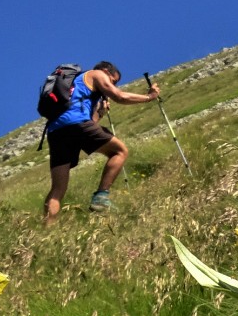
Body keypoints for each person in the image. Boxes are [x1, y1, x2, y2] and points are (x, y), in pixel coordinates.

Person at [43, 62, 161, 225]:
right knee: (120, 151)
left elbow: (92, 123)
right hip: (76, 123)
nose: (112, 84)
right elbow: (120, 96)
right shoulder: (96, 74)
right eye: (113, 81)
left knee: (57, 189)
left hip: (56, 130)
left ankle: (47, 229)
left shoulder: (78, 86)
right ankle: (101, 197)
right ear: (106, 71)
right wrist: (150, 97)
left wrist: (100, 112)